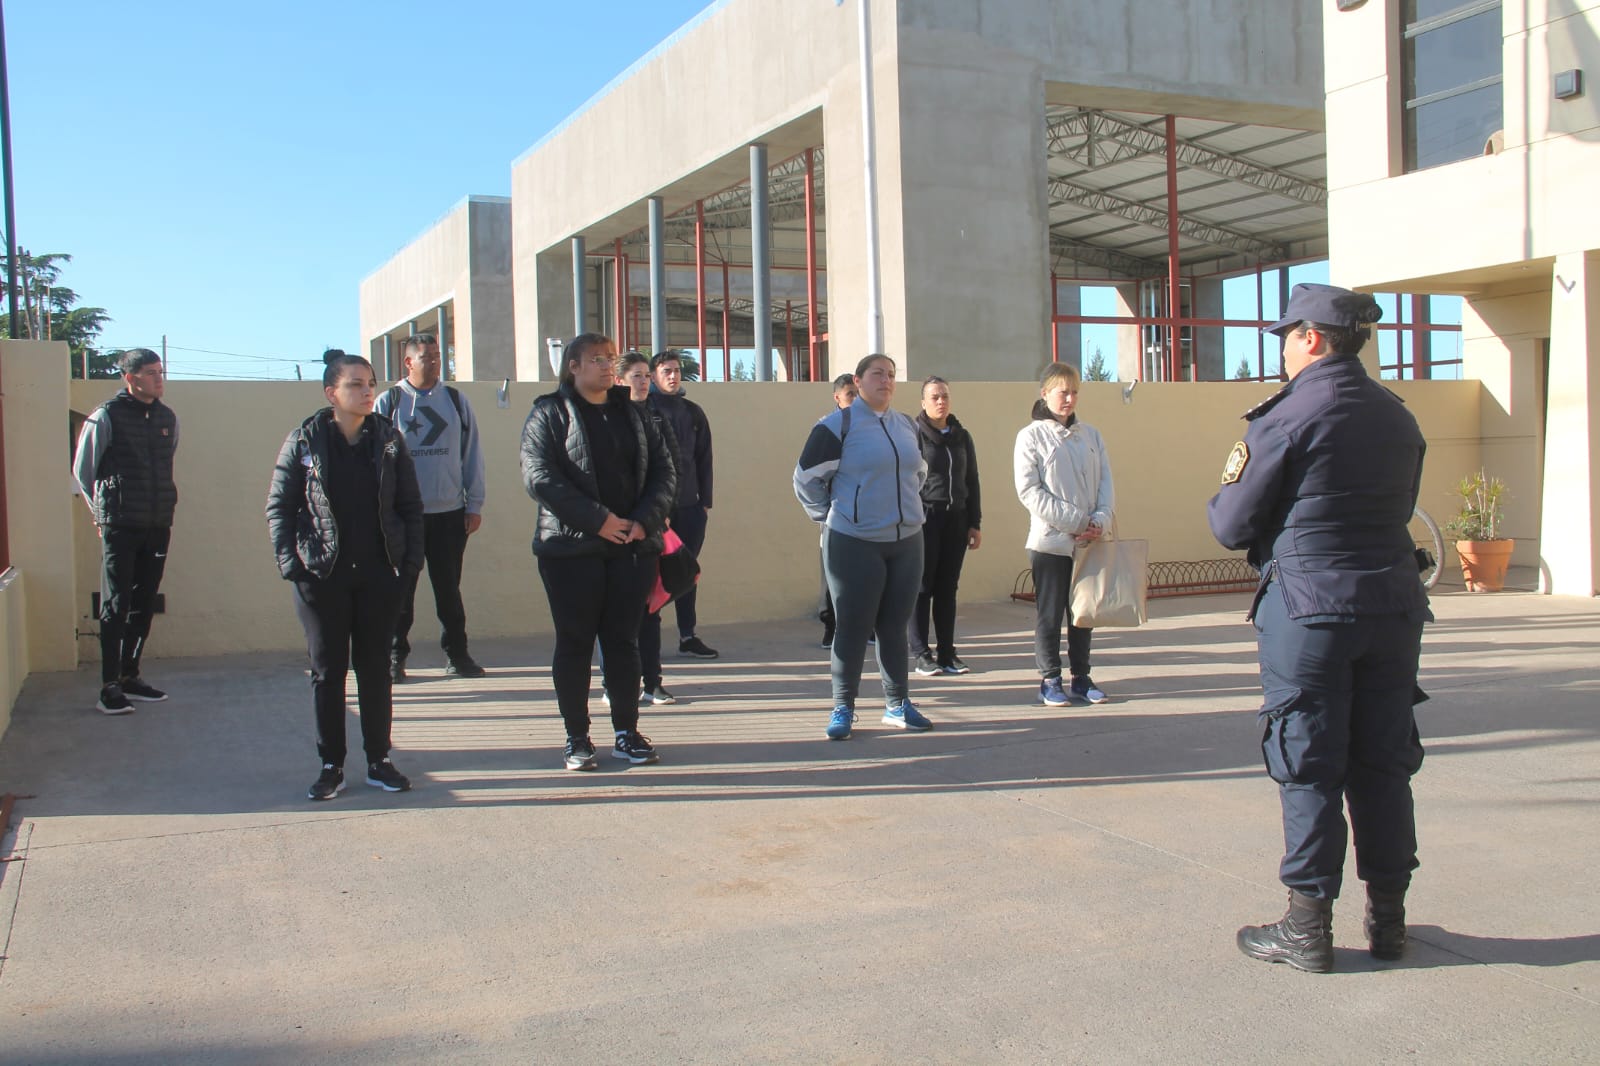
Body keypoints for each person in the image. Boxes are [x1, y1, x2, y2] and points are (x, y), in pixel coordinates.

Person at [1208, 283, 1430, 974]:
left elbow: (1230, 523)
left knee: (1308, 762)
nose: (1280, 348)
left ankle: (1307, 927)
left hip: (1310, 610)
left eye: (1284, 336)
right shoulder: (1397, 416)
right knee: (1383, 762)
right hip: (1393, 606)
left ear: (1310, 337)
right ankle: (1388, 921)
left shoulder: (1289, 413)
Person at [266, 352, 424, 800]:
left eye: (370, 382)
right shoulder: (305, 440)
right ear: (330, 393)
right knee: (327, 672)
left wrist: (409, 565)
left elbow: (410, 507)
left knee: (375, 669)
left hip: (380, 576)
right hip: (322, 577)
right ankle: (331, 765)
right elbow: (280, 507)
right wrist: (293, 567)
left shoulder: (389, 440)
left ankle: (379, 760)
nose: (367, 391)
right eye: (355, 384)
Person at [521, 333, 676, 770]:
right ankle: (577, 738)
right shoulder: (548, 413)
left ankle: (627, 731)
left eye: (610, 359)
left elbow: (666, 471)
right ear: (572, 366)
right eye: (596, 359)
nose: (607, 366)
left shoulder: (638, 414)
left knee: (623, 643)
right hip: (570, 551)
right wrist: (599, 521)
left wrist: (644, 520)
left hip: (632, 549)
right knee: (574, 643)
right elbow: (539, 476)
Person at [794, 354, 931, 740]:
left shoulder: (906, 424)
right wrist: (835, 516)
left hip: (906, 541)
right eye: (877, 374)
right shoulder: (837, 425)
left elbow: (918, 472)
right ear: (858, 380)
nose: (885, 381)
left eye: (891, 375)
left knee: (893, 627)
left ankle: (897, 704)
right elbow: (805, 480)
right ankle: (843, 707)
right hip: (853, 543)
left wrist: (904, 508)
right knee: (852, 627)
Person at [374, 333, 488, 682]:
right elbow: (374, 459)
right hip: (404, 516)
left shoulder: (454, 400)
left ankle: (457, 654)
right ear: (408, 362)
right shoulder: (389, 402)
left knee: (448, 590)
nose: (435, 361)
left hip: (450, 513)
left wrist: (475, 502)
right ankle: (394, 658)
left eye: (438, 355)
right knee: (401, 591)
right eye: (426, 356)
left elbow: (471, 453)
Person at [71, 349, 179, 715]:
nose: (159, 379)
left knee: (144, 601)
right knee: (116, 604)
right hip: (120, 524)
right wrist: (101, 516)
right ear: (130, 378)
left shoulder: (167, 417)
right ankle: (109, 686)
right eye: (150, 373)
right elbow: (83, 471)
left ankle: (131, 676)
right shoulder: (105, 417)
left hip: (157, 523)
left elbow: (167, 463)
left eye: (160, 372)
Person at [1013, 362, 1114, 708]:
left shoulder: (1092, 435)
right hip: (1051, 543)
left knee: (1083, 613)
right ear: (1045, 394)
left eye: (1074, 392)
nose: (1069, 398)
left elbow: (1105, 484)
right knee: (1051, 613)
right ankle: (1050, 678)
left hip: (1089, 542)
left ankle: (1082, 678)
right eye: (1062, 392)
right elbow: (1030, 492)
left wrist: (1100, 519)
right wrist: (1075, 521)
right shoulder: (1031, 437)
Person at [616, 350, 679, 705]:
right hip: (614, 528)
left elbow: (672, 468)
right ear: (619, 381)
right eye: (635, 376)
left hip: (651, 526)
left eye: (644, 375)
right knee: (615, 613)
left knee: (649, 609)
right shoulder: (608, 417)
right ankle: (616, 683)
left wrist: (660, 512)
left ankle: (652, 681)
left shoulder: (656, 417)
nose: (642, 382)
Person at [909, 376, 982, 676]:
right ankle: (921, 653)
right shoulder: (915, 435)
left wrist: (974, 523)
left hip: (957, 519)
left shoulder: (962, 436)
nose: (941, 402)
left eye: (945, 396)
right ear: (923, 402)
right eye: (935, 397)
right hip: (926, 519)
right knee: (922, 587)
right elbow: (908, 480)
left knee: (947, 588)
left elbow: (972, 480)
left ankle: (948, 653)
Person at [648, 350, 718, 659]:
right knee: (652, 574)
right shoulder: (643, 410)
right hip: (655, 510)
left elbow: (704, 458)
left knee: (686, 573)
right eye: (666, 371)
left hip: (691, 507)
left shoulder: (693, 412)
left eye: (677, 370)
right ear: (653, 376)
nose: (673, 376)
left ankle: (688, 635)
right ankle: (646, 634)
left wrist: (705, 502)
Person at [817, 373, 858, 648]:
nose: (854, 401)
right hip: (836, 515)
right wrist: (826, 510)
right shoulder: (828, 428)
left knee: (864, 576)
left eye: (857, 395)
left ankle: (864, 627)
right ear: (837, 397)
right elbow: (811, 476)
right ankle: (832, 628)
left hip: (866, 515)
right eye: (849, 396)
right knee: (835, 576)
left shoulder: (871, 427)